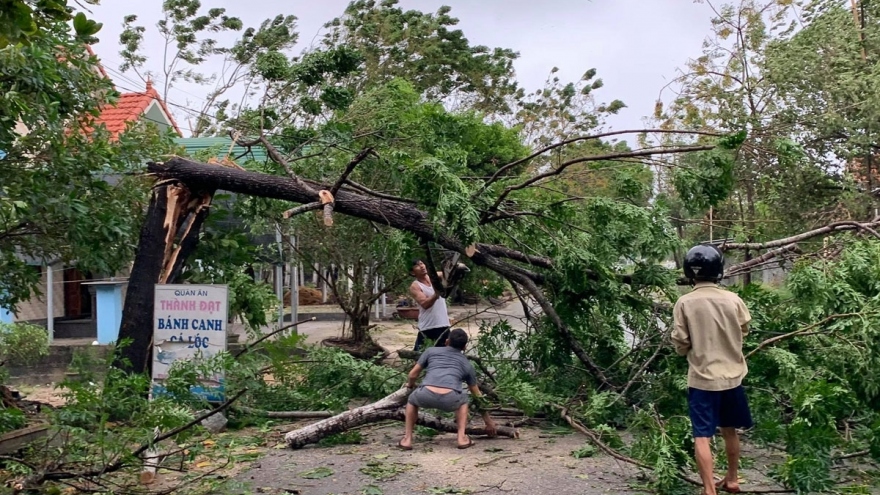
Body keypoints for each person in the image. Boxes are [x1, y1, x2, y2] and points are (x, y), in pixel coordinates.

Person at [672, 244, 753, 495]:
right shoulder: (733, 300)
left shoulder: (684, 302)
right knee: (730, 430)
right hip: (732, 378)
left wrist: (688, 350)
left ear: (690, 271)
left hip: (702, 381)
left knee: (702, 436)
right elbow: (744, 329)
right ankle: (732, 479)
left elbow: (681, 342)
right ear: (719, 270)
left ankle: (709, 490)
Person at [399, 328, 497, 450]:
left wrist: (410, 385)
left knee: (412, 401)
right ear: (464, 347)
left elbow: (412, 375)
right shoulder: (467, 364)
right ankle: (461, 437)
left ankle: (407, 439)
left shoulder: (430, 351)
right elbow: (477, 395)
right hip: (450, 400)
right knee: (464, 400)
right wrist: (488, 422)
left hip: (425, 395)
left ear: (447, 341)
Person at [409, 259, 451, 351]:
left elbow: (449, 273)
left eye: (422, 263)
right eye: (417, 266)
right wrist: (437, 293)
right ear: (412, 272)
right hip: (428, 327)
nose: (421, 266)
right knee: (421, 356)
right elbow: (425, 304)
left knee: (445, 354)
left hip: (443, 324)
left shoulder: (435, 276)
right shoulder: (415, 286)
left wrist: (456, 267)